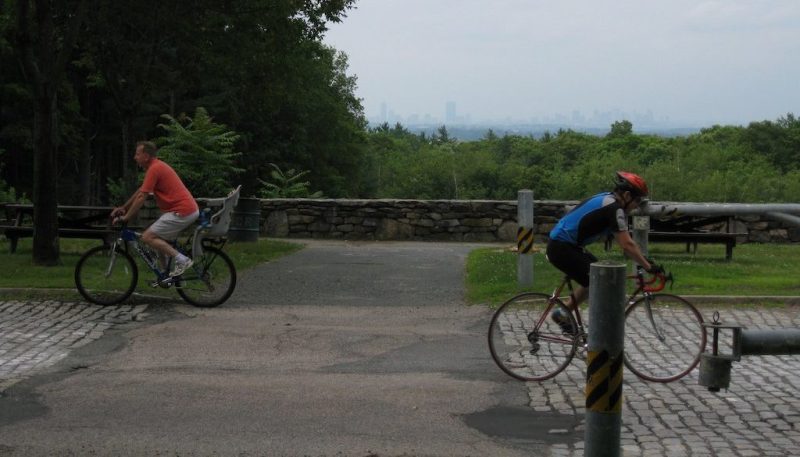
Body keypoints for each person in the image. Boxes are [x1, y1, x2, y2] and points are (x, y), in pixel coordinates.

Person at [546, 171, 661, 333]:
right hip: (562, 247)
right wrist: (648, 266)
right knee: (598, 280)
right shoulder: (614, 208)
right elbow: (627, 244)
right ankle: (599, 333)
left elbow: (624, 240)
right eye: (637, 200)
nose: (638, 205)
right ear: (627, 196)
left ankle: (563, 313)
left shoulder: (609, 200)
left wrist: (645, 261)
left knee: (598, 275)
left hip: (564, 245)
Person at [111, 141, 199, 277]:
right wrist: (124, 207)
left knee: (147, 237)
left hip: (182, 211)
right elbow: (141, 190)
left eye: (137, 154)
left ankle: (183, 260)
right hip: (184, 210)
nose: (135, 157)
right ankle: (166, 274)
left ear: (146, 156)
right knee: (155, 237)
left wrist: (126, 217)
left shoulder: (154, 168)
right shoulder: (155, 167)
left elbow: (142, 197)